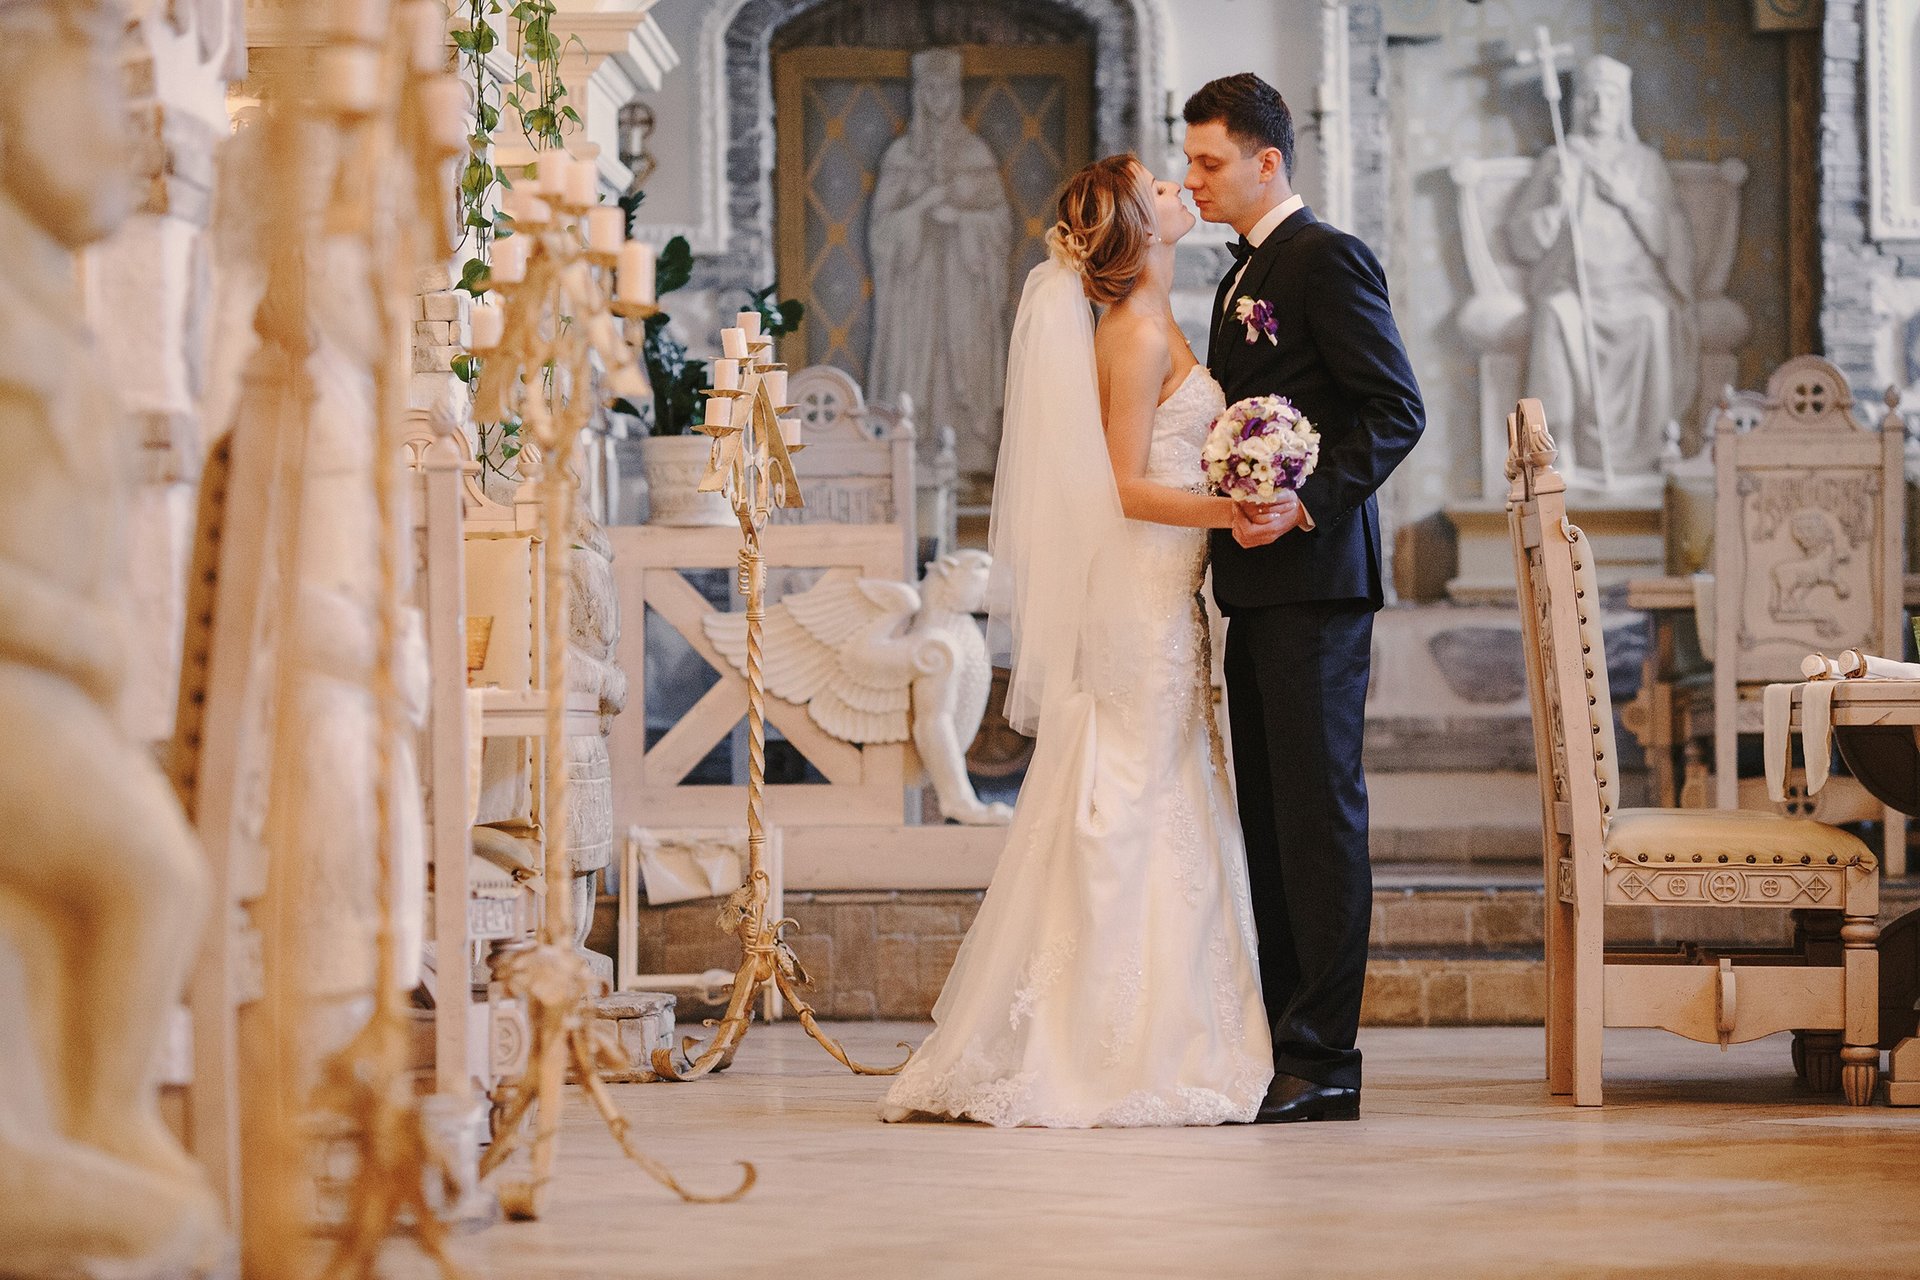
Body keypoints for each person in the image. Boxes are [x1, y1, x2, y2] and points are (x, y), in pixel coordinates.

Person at [880, 154, 1274, 1127]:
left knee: (1156, 783)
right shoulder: (1134, 335)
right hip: (1140, 595)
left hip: (1163, 591)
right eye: (1160, 185)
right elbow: (1122, 486)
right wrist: (1236, 509)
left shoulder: (1153, 318)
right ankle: (1110, 1043)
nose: (1181, 187)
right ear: (1138, 228)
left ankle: (1157, 1023)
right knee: (1133, 791)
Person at [1183, 73, 1424, 1123]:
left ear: (1265, 161)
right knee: (1274, 821)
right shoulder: (1242, 276)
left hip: (1318, 584)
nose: (1193, 180)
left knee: (1320, 820)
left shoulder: (1324, 257)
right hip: (1257, 584)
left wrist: (1310, 502)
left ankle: (1327, 1054)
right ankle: (1286, 1038)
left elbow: (1393, 407)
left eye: (1208, 161)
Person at [1505, 53, 1697, 486]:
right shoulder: (1560, 159)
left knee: (1654, 316)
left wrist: (1631, 199)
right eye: (1591, 97)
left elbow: (1671, 238)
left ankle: (1654, 448)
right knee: (1555, 314)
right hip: (1575, 287)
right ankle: (1560, 444)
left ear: (1623, 105)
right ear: (1578, 105)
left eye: (1609, 98)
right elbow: (1522, 241)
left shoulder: (1644, 162)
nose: (1600, 107)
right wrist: (1558, 203)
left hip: (1633, 287)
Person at [867, 48, 1013, 484]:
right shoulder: (900, 156)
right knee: (914, 362)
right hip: (913, 289)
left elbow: (999, 225)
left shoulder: (975, 152)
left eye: (948, 88)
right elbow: (881, 231)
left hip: (964, 286)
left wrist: (962, 220)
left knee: (963, 358)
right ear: (918, 93)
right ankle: (914, 451)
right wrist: (922, 207)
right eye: (930, 89)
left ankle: (966, 455)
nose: (940, 99)